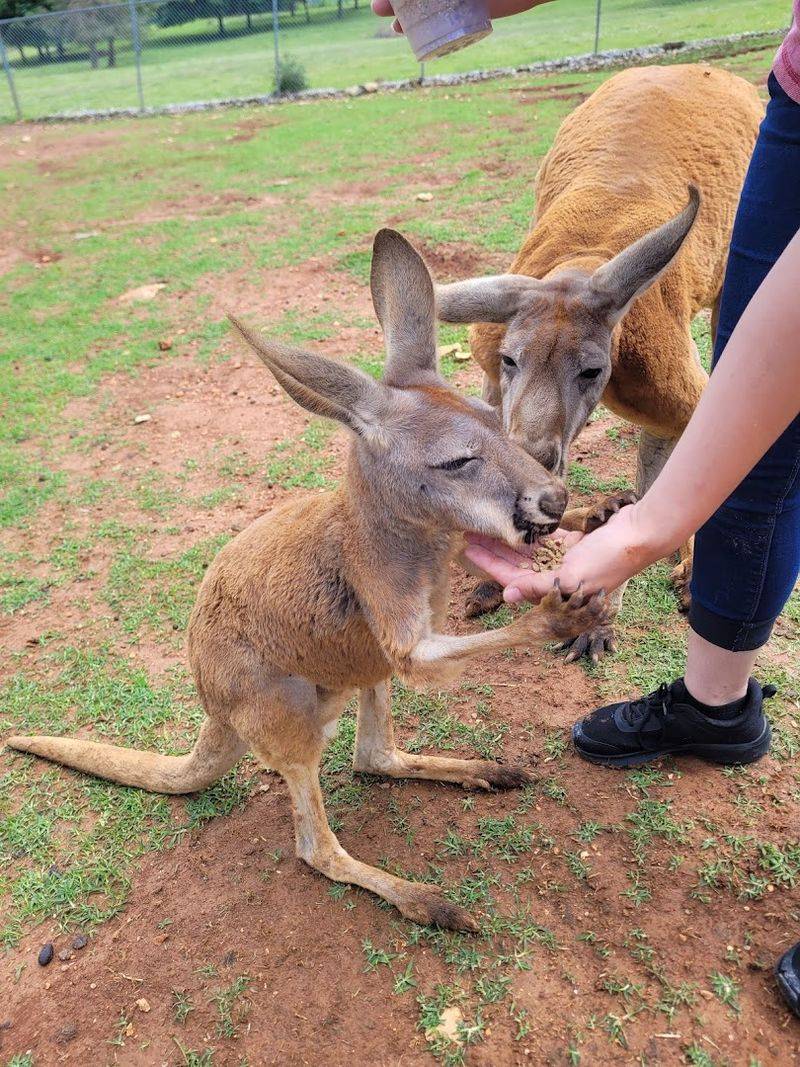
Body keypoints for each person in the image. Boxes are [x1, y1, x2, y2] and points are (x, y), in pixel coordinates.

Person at [374, 0, 800, 1020]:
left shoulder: (637, 353)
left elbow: (721, 408)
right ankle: (713, 705)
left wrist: (653, 523)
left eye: (575, 381)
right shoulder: (502, 340)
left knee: (749, 419)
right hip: (794, 87)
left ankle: (712, 605)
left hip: (723, 143)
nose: (545, 427)